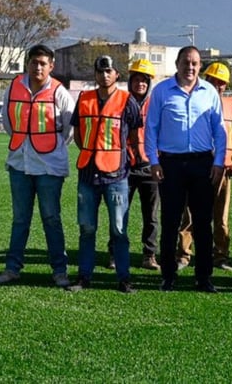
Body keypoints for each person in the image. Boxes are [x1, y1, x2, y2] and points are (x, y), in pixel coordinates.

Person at [145, 46, 227, 292]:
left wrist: (219, 162)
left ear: (200, 66)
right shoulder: (161, 91)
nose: (190, 67)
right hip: (170, 164)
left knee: (203, 224)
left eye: (195, 63)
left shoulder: (209, 92)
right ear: (177, 64)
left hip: (202, 163)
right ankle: (168, 276)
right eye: (186, 62)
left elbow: (219, 131)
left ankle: (204, 277)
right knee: (170, 223)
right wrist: (153, 160)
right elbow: (151, 128)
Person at [0, 44, 75, 287]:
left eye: (43, 63)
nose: (38, 67)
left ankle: (59, 270)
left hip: (49, 165)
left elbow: (70, 129)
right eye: (34, 62)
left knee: (51, 218)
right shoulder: (14, 86)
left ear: (51, 66)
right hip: (20, 161)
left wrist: (50, 146)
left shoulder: (60, 92)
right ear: (27, 63)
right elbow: (8, 121)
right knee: (20, 219)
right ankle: (12, 268)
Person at [68, 56, 142, 293]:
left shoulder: (127, 101)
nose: (104, 75)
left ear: (117, 75)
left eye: (109, 71)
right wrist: (92, 152)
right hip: (88, 174)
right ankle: (83, 276)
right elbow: (78, 133)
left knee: (119, 230)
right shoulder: (84, 98)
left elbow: (133, 136)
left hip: (117, 176)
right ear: (95, 74)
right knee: (87, 229)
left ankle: (123, 278)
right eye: (100, 71)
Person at [177, 62, 232, 272]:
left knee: (220, 216)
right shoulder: (195, 100)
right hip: (198, 165)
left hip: (223, 168)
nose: (217, 85)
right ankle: (184, 254)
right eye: (213, 81)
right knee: (189, 214)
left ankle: (220, 256)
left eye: (221, 82)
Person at [118, 58, 161, 270]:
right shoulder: (121, 102)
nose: (140, 84)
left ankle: (149, 255)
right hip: (124, 168)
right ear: (130, 81)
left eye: (144, 80)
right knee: (120, 214)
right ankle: (116, 253)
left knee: (151, 216)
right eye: (136, 80)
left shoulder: (156, 105)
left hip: (149, 168)